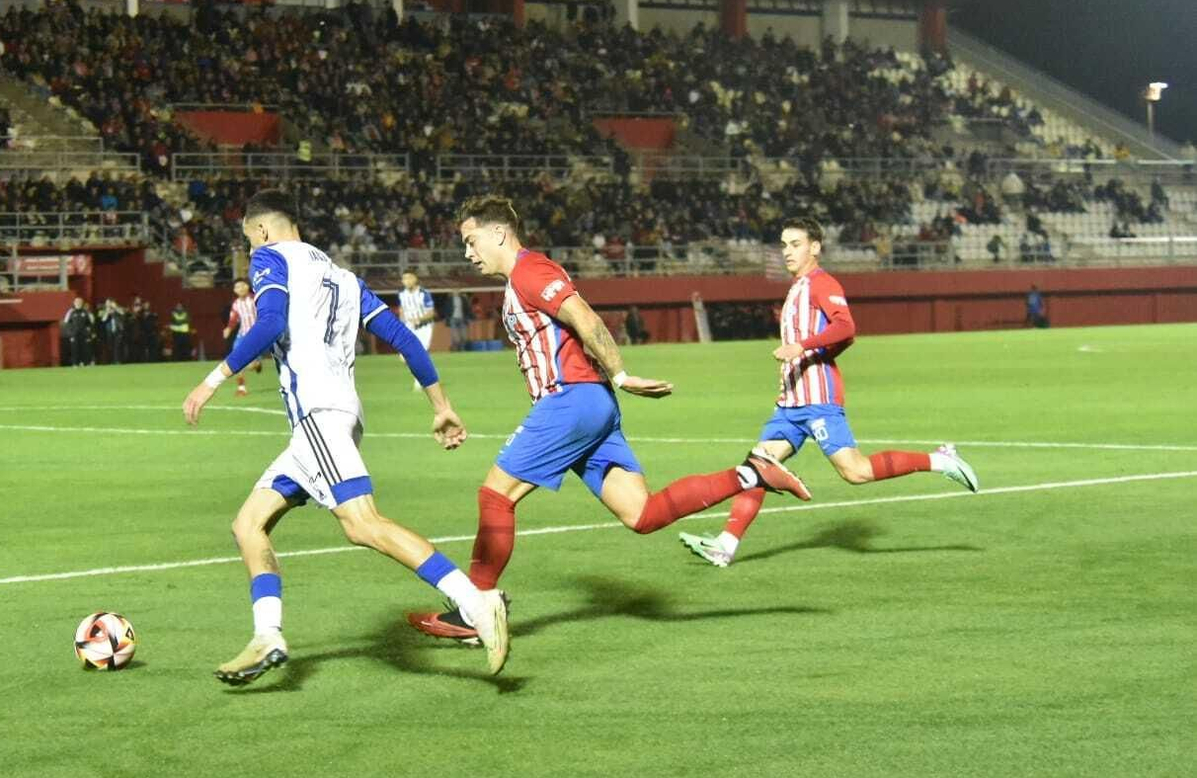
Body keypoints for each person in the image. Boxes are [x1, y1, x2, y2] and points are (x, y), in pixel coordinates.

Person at [407, 197, 810, 643]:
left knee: (495, 495)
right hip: (590, 405)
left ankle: (476, 610)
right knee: (642, 513)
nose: (467, 252)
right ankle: (752, 472)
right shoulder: (522, 278)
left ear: (498, 232)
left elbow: (583, 317)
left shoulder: (529, 272)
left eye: (471, 240)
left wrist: (620, 372)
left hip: (571, 400)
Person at [182, 189, 509, 685]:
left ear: (263, 231)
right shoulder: (344, 278)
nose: (252, 254)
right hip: (338, 417)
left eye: (250, 241)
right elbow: (401, 338)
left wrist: (212, 380)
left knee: (362, 524)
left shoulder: (272, 259)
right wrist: (441, 405)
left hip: (318, 416)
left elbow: (269, 323)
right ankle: (267, 634)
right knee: (249, 524)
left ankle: (476, 603)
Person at [678, 218, 979, 569]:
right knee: (757, 466)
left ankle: (942, 460)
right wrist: (808, 356)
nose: (787, 251)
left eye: (795, 244)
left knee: (856, 472)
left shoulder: (822, 283)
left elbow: (846, 326)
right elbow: (843, 338)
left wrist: (803, 349)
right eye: (784, 244)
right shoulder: (796, 288)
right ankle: (725, 546)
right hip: (790, 403)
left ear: (815, 247)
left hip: (818, 399)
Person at [221, 278, 262, 397]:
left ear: (247, 286)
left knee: (250, 365)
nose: (240, 288)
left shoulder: (255, 299)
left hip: (256, 337)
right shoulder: (236, 304)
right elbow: (234, 319)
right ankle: (241, 388)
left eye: (242, 286)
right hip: (242, 335)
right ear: (234, 290)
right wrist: (228, 328)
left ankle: (257, 364)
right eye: (237, 287)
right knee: (237, 361)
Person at [397, 269, 436, 390]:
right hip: (409, 328)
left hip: (424, 328)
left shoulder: (424, 293)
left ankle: (420, 381)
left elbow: (431, 312)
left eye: (409, 278)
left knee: (419, 353)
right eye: (404, 279)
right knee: (403, 357)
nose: (406, 281)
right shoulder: (402, 294)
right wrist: (402, 321)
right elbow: (402, 309)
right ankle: (422, 375)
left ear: (415, 279)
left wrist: (419, 319)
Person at [62, 297, 94, 366]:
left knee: (85, 349)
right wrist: (70, 334)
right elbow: (66, 324)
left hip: (84, 334)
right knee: (75, 349)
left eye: (80, 302)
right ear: (74, 303)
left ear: (82, 303)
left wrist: (89, 333)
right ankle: (75, 363)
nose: (78, 303)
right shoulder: (71, 312)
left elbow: (90, 324)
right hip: (74, 334)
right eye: (77, 302)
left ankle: (85, 363)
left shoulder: (86, 312)